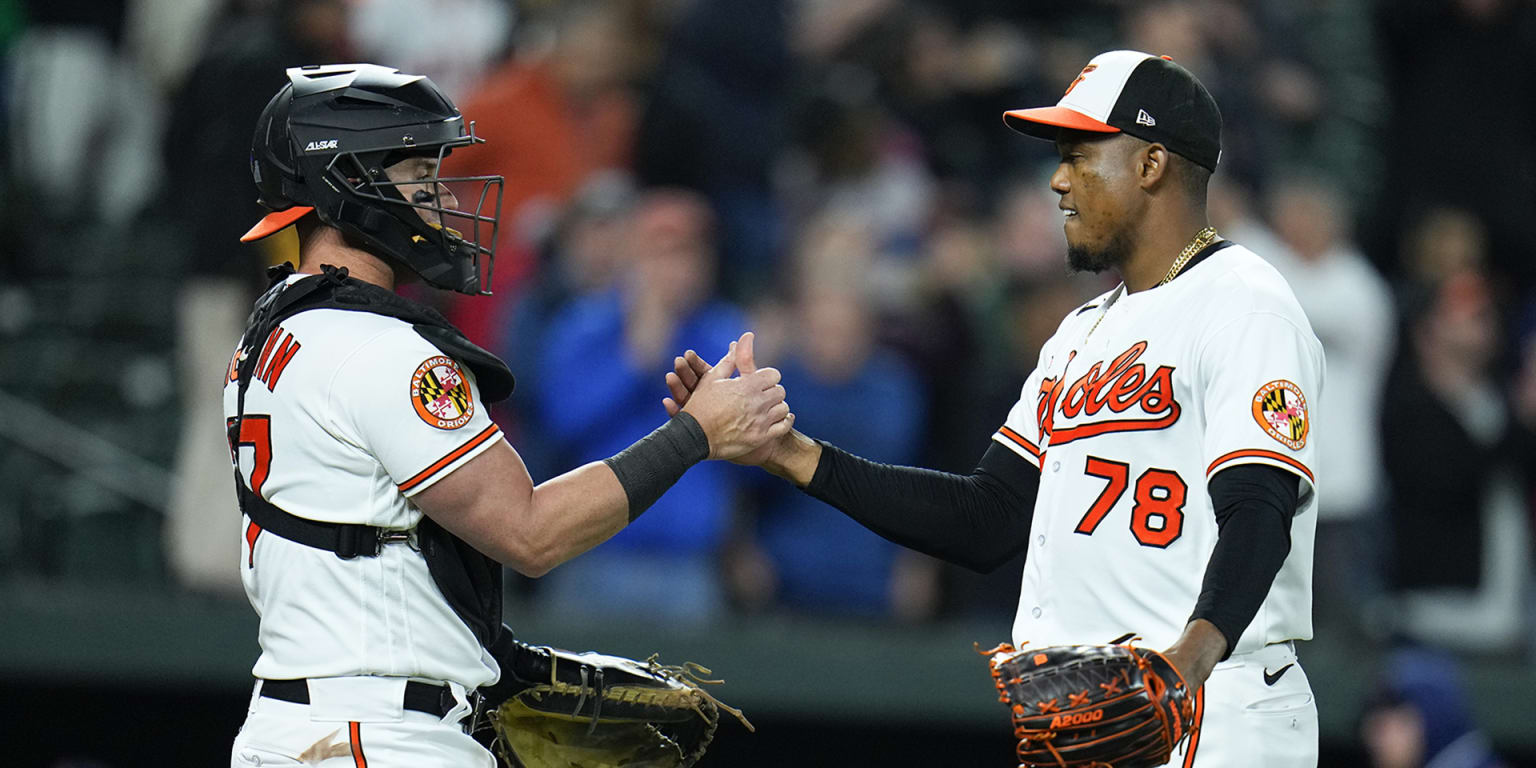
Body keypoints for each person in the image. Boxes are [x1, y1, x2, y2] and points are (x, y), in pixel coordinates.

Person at [667, 50, 1324, 766]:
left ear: (1152, 164)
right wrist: (786, 452)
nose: (1058, 180)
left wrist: (1186, 664)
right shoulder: (1081, 333)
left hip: (1213, 710)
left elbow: (1260, 507)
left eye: (1079, 156)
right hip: (1097, 716)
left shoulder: (1245, 305)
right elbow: (986, 518)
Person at [223, 64, 789, 768]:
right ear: (344, 184)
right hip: (383, 734)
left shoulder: (270, 336)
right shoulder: (381, 351)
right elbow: (529, 533)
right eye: (416, 174)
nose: (439, 198)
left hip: (299, 724)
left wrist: (493, 658)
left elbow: (373, 538)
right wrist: (695, 434)